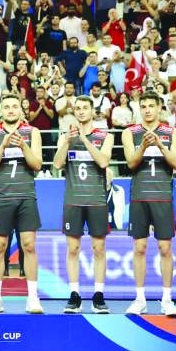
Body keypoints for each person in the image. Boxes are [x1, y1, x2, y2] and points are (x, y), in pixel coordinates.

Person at [121, 92, 176, 317]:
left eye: (151, 106)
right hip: (139, 196)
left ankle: (167, 299)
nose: (147, 110)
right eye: (143, 106)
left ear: (159, 108)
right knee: (139, 248)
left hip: (162, 197)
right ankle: (140, 299)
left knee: (165, 248)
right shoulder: (130, 133)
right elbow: (131, 163)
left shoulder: (172, 133)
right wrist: (144, 147)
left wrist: (160, 145)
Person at [0, 92, 44, 314]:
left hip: (26, 196)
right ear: (1, 110)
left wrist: (23, 147)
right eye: (6, 106)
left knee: (29, 246)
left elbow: (37, 164)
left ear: (21, 110)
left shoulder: (32, 132)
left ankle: (33, 298)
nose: (10, 110)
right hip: (2, 197)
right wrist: (3, 146)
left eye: (14, 106)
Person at [53, 95, 113, 314]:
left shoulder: (104, 136)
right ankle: (75, 294)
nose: (80, 112)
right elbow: (57, 164)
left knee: (98, 248)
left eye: (84, 108)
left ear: (92, 111)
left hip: (96, 201)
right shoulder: (65, 137)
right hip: (73, 200)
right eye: (77, 108)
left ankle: (98, 295)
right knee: (73, 248)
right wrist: (68, 140)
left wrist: (85, 140)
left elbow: (104, 162)